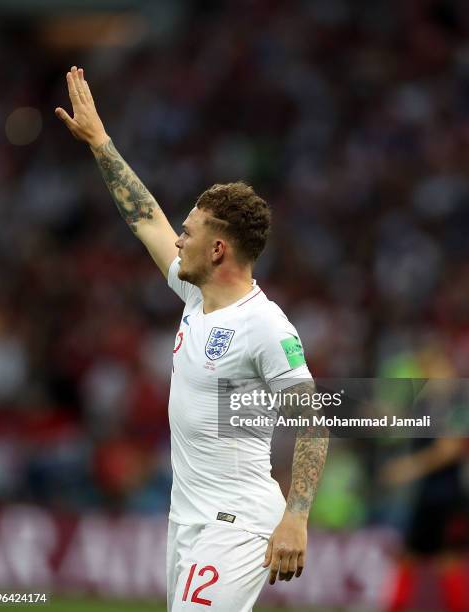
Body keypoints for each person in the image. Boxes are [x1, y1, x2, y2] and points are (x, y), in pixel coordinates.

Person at [56, 65, 328, 611]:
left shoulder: (266, 326)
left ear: (219, 250)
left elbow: (312, 419)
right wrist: (101, 142)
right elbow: (143, 218)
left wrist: (296, 517)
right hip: (188, 519)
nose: (177, 239)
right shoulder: (195, 298)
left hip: (237, 522)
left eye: (189, 231)